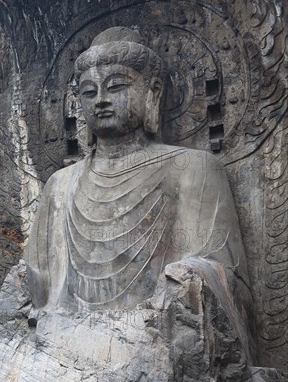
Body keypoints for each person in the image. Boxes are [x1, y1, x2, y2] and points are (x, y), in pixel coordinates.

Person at [19, 26, 255, 361]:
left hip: (154, 338)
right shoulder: (60, 185)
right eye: (89, 92)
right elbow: (40, 279)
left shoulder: (192, 167)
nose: (100, 100)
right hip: (63, 341)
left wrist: (188, 276)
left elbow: (219, 271)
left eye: (115, 86)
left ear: (152, 92)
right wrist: (22, 283)